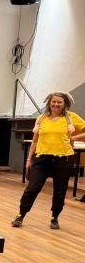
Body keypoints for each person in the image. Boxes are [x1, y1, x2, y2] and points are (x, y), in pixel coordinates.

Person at [12, 92, 85, 229]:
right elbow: (35, 141)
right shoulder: (41, 118)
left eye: (59, 102)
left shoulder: (71, 118)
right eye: (53, 101)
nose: (56, 104)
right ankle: (21, 215)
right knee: (32, 188)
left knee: (60, 190)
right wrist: (29, 159)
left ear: (65, 104)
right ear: (49, 103)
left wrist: (74, 138)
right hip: (42, 159)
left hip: (63, 159)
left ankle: (54, 217)